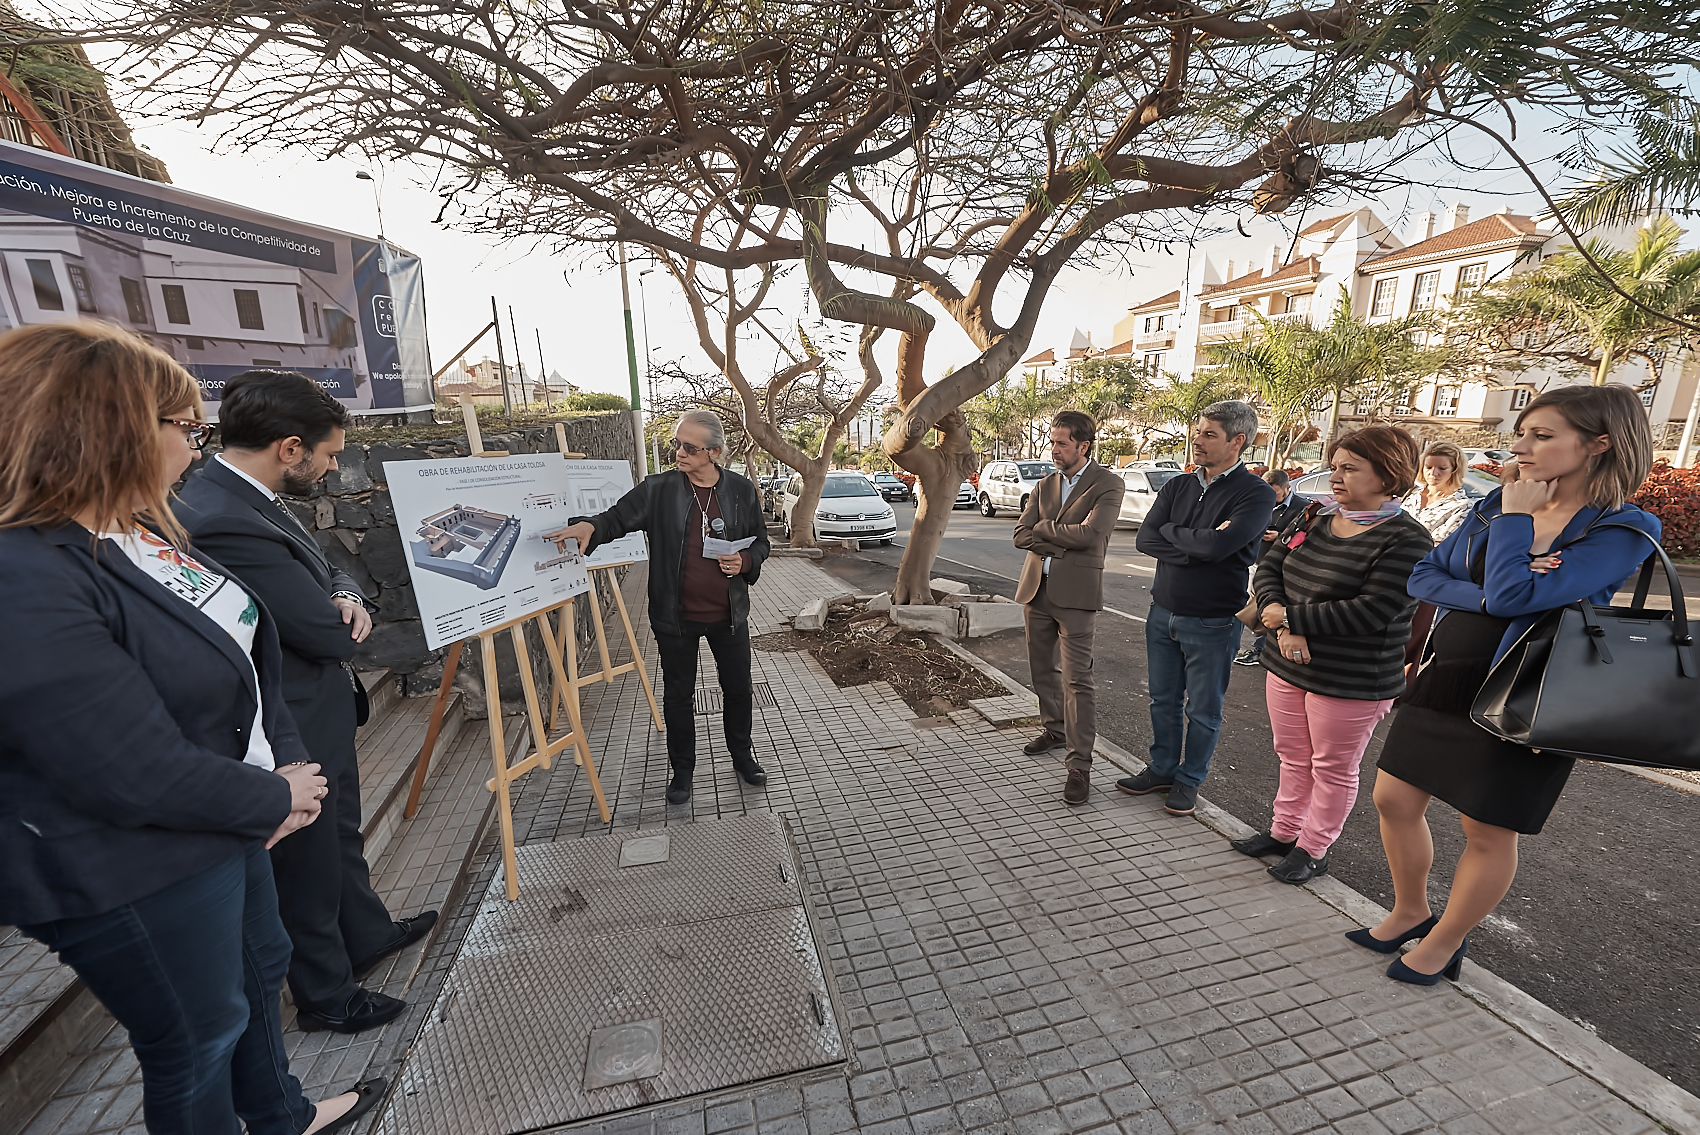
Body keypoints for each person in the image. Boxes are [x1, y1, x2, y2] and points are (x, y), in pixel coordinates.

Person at [0, 323, 382, 1135]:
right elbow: (122, 765)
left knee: (258, 969)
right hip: (137, 863)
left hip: (226, 821)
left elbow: (244, 644)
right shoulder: (24, 572)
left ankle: (281, 1114)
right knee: (197, 1038)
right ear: (112, 427)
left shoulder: (138, 530)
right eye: (186, 428)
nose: (197, 448)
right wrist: (268, 792)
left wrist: (281, 758)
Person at [1358, 385, 1658, 985]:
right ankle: (1410, 909)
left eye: (1542, 436)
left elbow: (1522, 596)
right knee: (1391, 798)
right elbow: (1427, 575)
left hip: (1533, 690)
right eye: (1522, 432)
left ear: (1600, 444)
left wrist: (1517, 536)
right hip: (1449, 674)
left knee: (1487, 828)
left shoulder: (1622, 527)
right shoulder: (1494, 504)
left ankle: (1446, 940)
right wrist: (1497, 585)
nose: (1520, 447)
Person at [175, 372, 436, 1034]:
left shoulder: (248, 498)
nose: (330, 468)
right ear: (290, 448)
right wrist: (339, 606)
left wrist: (347, 593)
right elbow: (320, 629)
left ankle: (367, 934)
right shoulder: (222, 517)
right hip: (287, 717)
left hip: (318, 706)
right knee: (309, 861)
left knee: (339, 836)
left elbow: (329, 569)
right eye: (326, 455)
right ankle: (326, 992)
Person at [1231, 427, 1432, 883]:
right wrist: (1278, 618)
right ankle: (1283, 833)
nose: (1336, 477)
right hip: (1286, 664)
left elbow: (1374, 610)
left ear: (1388, 475)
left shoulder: (1407, 538)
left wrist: (1291, 623)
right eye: (1335, 466)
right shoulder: (1314, 516)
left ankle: (1314, 848)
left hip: (1351, 677)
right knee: (1292, 755)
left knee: (1332, 767)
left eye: (1350, 469)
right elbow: (1269, 569)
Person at [558, 409, 770, 805]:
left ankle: (742, 756)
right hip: (676, 619)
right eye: (677, 444)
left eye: (690, 447)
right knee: (677, 695)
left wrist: (745, 562)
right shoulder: (658, 489)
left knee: (739, 689)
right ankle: (682, 771)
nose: (679, 453)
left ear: (715, 452)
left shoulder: (740, 491)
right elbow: (616, 518)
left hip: (729, 616)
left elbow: (761, 542)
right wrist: (591, 527)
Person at [1119, 401, 1277, 816]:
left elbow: (1220, 546)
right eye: (1198, 431)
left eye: (1209, 434)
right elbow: (1145, 539)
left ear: (1237, 441)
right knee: (1162, 699)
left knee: (1203, 709)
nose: (1197, 440)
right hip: (1162, 612)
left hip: (1213, 619)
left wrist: (1184, 538)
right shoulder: (1178, 486)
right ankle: (1163, 768)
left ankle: (1189, 780)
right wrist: (1196, 543)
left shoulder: (1255, 493)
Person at [1012, 411, 1125, 804]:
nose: (1054, 449)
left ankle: (1080, 766)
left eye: (1061, 442)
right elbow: (1019, 534)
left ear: (1084, 445)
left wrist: (1044, 531)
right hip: (1035, 590)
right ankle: (1054, 729)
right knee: (1041, 670)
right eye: (1053, 441)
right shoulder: (1045, 484)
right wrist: (1059, 539)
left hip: (1076, 595)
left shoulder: (1108, 483)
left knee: (1078, 681)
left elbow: (1094, 534)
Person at [1399, 440, 1476, 672]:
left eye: (1442, 468)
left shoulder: (1461, 505)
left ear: (1454, 470)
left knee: (1412, 642)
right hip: (1393, 571)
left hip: (1425, 577)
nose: (1434, 473)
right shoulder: (1411, 495)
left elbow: (1442, 545)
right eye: (1429, 466)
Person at [1234, 468, 1308, 666]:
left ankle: (1261, 649)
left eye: (1274, 493)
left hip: (1283, 568)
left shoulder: (1303, 508)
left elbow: (1306, 537)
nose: (1270, 497)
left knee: (1268, 606)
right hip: (1255, 562)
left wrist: (1281, 535)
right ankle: (1247, 646)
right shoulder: (1260, 503)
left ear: (1287, 488)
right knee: (1249, 606)